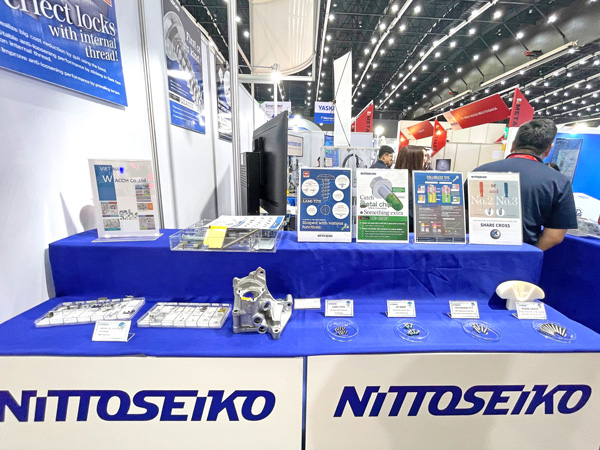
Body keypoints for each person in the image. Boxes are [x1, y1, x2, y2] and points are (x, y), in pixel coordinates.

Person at [472, 119, 577, 251]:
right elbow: (554, 236)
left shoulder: (479, 172)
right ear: (549, 149)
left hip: (475, 255)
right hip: (523, 258)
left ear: (513, 145)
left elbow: (462, 218)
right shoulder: (558, 181)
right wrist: (527, 254)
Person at [394, 145, 427, 232]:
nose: (425, 159)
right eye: (423, 156)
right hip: (412, 225)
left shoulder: (394, 178)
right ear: (414, 159)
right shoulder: (415, 181)